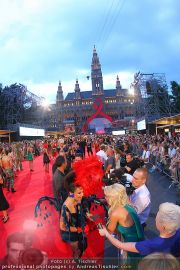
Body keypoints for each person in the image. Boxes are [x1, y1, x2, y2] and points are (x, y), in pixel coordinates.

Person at [99, 202, 180, 258]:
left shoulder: (152, 245)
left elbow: (120, 245)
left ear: (163, 226)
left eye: (157, 218)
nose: (155, 219)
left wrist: (107, 234)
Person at [60, 155, 103, 258]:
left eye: (83, 191)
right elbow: (62, 226)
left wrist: (95, 219)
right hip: (73, 234)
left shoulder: (78, 198)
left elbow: (85, 209)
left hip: (81, 230)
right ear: (71, 192)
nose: (82, 195)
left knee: (84, 246)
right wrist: (79, 229)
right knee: (77, 250)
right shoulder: (66, 206)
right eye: (79, 193)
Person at [103, 183, 144, 261]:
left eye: (107, 196)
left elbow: (108, 233)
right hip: (137, 241)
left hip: (129, 246)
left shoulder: (116, 213)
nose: (105, 198)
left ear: (112, 198)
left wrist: (96, 221)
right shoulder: (128, 204)